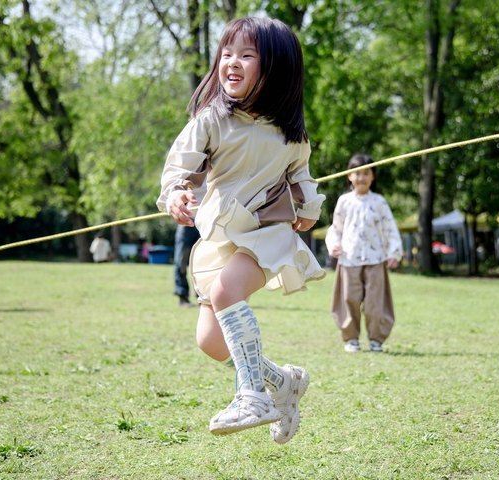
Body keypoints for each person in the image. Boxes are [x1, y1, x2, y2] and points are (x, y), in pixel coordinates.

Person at [157, 17, 324, 442]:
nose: (232, 62)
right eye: (227, 53)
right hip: (221, 238)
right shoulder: (211, 120)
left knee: (227, 292)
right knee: (211, 343)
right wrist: (177, 192)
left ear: (276, 69)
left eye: (247, 55)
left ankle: (252, 395)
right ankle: (283, 382)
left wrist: (309, 205)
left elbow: (300, 173)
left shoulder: (290, 134)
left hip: (266, 233)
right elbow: (182, 166)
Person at [325, 154, 403, 353]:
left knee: (374, 302)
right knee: (349, 298)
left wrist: (394, 251)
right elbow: (336, 228)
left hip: (375, 260)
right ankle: (351, 339)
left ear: (373, 176)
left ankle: (376, 339)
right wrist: (334, 244)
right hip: (349, 259)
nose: (361, 177)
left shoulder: (379, 202)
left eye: (366, 173)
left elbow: (389, 228)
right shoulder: (344, 201)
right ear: (349, 176)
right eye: (357, 173)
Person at [173, 224, 200, 307]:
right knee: (181, 263)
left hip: (201, 224)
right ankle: (182, 297)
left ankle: (202, 297)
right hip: (185, 225)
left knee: (201, 263)